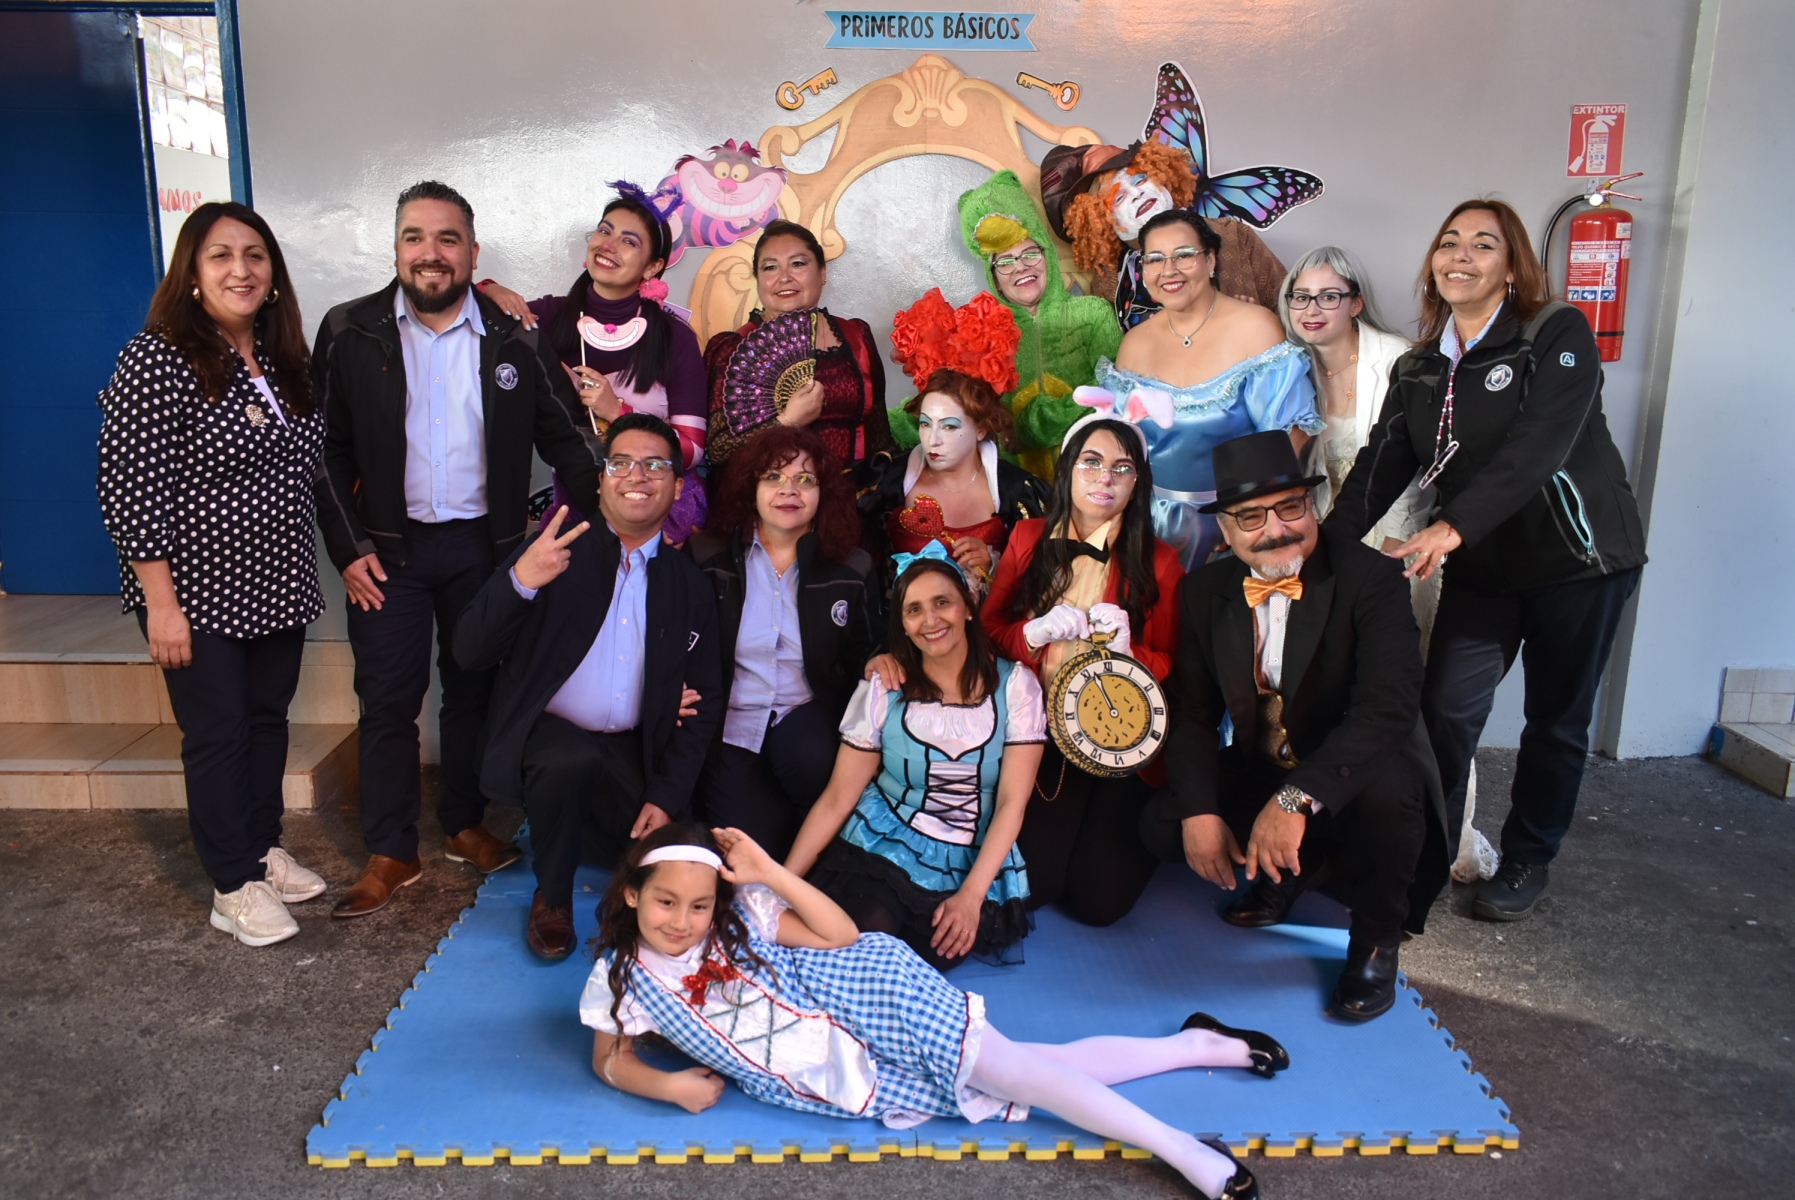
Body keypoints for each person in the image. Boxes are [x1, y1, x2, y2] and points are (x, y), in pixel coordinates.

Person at [582, 823, 1273, 1200]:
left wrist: (770, 874)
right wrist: (669, 1087)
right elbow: (610, 1060)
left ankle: (1183, 1151)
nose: (682, 920)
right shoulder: (622, 980)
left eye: (699, 905)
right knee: (1027, 1076)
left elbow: (841, 936)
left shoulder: (742, 920)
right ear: (633, 895)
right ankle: (1196, 1045)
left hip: (871, 997)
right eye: (666, 902)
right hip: (845, 1075)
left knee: (1019, 1077)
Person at [1329, 199, 1647, 922]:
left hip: (1578, 562)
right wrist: (1325, 552)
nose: (1461, 256)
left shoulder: (1553, 332)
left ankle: (1529, 857)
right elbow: (1381, 466)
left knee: (1554, 720)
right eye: (1449, 242)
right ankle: (1423, 858)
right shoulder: (1418, 367)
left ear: (1511, 267)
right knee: (1443, 712)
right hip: (1486, 570)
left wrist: (1451, 528)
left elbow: (1540, 446)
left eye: (1482, 244)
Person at [313, 181, 604, 919]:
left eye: (448, 239)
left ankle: (464, 823)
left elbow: (567, 440)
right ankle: (390, 851)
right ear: (396, 249)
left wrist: (601, 526)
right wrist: (347, 548)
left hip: (485, 549)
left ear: (472, 252)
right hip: (386, 555)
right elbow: (322, 451)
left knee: (473, 690)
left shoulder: (514, 336)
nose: (431, 252)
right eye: (415, 237)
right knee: (388, 701)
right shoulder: (348, 330)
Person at [96, 201, 328, 947]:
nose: (241, 270)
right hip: (195, 588)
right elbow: (129, 485)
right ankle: (232, 885)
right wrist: (160, 604)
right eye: (221, 255)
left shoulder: (282, 357)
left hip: (278, 578)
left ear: (273, 273)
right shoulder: (158, 357)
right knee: (218, 732)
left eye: (254, 255)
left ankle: (260, 850)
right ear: (192, 274)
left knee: (265, 723)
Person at [1148, 431, 1435, 1021]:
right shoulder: (1205, 591)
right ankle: (1297, 871)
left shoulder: (1370, 578)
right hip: (1267, 763)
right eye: (1251, 517)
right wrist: (1200, 811)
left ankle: (1376, 938)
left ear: (1313, 506)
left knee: (1387, 798)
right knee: (1161, 823)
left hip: (1357, 772)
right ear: (1226, 531)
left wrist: (1294, 799)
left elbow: (1387, 709)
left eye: (1290, 507)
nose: (1276, 529)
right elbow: (1194, 712)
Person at [453, 414, 723, 959]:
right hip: (552, 740)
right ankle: (552, 896)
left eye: (655, 465)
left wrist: (665, 797)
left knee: (678, 858)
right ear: (601, 480)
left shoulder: (689, 585)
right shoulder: (553, 551)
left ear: (677, 486)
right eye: (621, 463)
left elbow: (706, 700)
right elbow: (468, 652)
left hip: (634, 747)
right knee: (568, 760)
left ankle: (592, 840)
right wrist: (520, 583)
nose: (637, 476)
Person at [1280, 246, 1497, 888]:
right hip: (1326, 546)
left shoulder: (1404, 360)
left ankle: (1443, 838)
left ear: (1355, 301)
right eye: (1300, 297)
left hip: (1402, 544)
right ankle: (1352, 839)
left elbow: (1439, 459)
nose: (1312, 309)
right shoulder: (1286, 369)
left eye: (1328, 296)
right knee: (1336, 691)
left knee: (1418, 695)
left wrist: (1408, 534)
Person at [786, 552, 1045, 971]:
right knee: (869, 934)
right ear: (902, 624)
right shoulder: (885, 689)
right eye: (914, 609)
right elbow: (838, 798)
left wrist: (971, 897)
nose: (930, 620)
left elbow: (1012, 803)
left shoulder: (1016, 687)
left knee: (927, 956)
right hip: (886, 843)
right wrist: (783, 884)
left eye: (942, 602)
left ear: (967, 608)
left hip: (970, 858)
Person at [981, 415, 1184, 926]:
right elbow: (989, 631)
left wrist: (1130, 655)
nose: (1105, 478)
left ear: (1138, 482)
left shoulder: (1161, 561)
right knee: (1036, 889)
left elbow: (1174, 664)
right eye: (1091, 463)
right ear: (1068, 469)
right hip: (1043, 734)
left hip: (1121, 742)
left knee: (1098, 905)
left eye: (1122, 468)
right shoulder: (1027, 537)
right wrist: (1032, 633)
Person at [476, 184, 709, 543]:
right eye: (604, 231)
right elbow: (467, 314)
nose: (608, 245)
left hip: (657, 513)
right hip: (578, 509)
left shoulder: (674, 336)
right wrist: (490, 289)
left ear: (653, 267)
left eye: (628, 241)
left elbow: (692, 451)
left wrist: (617, 410)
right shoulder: (549, 316)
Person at [687, 426, 878, 860]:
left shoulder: (852, 567)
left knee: (810, 761)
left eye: (805, 479)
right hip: (731, 724)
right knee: (746, 858)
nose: (789, 490)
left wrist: (880, 659)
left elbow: (865, 650)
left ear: (823, 493)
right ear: (750, 488)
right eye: (773, 477)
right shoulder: (706, 556)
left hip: (808, 720)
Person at [1097, 209, 1322, 571]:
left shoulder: (1255, 327)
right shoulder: (1133, 344)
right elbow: (1123, 447)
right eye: (1155, 259)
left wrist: (1245, 517)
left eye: (1184, 255)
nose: (1169, 270)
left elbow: (1289, 436)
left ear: (1211, 260)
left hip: (1241, 527)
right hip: (1151, 529)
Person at [887, 170, 1120, 481]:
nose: (1021, 267)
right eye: (1006, 261)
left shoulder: (1093, 314)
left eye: (1030, 253)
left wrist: (1035, 423)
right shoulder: (978, 329)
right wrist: (876, 424)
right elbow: (949, 403)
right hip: (1015, 488)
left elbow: (1115, 387)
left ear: (1047, 255)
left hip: (1091, 479)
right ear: (993, 274)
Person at [704, 219, 891, 476]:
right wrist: (787, 421)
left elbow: (879, 437)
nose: (784, 277)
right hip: (769, 496)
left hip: (852, 492)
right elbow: (718, 451)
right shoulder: (732, 349)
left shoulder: (856, 337)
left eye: (798, 264)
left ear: (823, 273)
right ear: (758, 279)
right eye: (770, 267)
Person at [1039, 140, 1289, 327]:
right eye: (1119, 197)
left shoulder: (1234, 235)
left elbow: (1290, 309)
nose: (1136, 194)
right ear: (1103, 221)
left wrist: (1259, 322)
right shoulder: (1108, 283)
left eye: (1139, 180)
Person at [865, 366, 1048, 601]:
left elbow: (1044, 580)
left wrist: (995, 566)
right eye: (925, 424)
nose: (933, 440)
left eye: (949, 426)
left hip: (987, 622)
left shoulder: (1017, 490)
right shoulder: (888, 480)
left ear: (980, 429)